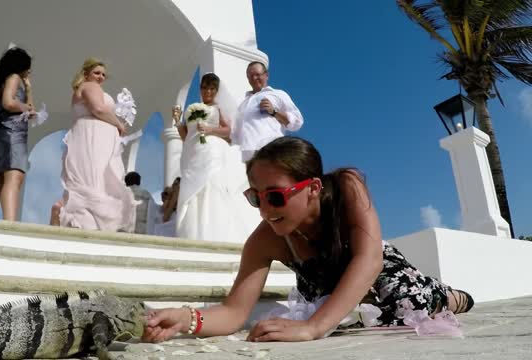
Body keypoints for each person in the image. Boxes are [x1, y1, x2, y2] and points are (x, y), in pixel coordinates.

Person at [144, 136, 473, 343]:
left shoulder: (346, 186)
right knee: (357, 321)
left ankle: (451, 296)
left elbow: (369, 260)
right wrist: (187, 319)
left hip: (381, 270)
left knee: (408, 304)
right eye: (255, 198)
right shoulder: (265, 240)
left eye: (274, 196)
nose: (264, 211)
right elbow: (233, 311)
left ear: (313, 188)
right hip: (335, 293)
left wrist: (314, 326)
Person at [172, 73, 260, 243]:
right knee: (191, 191)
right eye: (205, 87)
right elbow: (186, 137)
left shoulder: (217, 109)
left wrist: (210, 130)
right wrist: (177, 121)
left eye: (212, 88)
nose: (208, 91)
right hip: (192, 154)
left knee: (209, 185)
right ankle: (191, 231)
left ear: (216, 90)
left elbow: (230, 131)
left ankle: (212, 231)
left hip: (210, 151)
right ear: (201, 89)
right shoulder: (193, 108)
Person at [58, 57, 135, 231]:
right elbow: (98, 109)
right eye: (97, 73)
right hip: (93, 138)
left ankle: (89, 222)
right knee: (96, 178)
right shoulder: (90, 86)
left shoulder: (83, 88)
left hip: (90, 136)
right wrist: (118, 124)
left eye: (103, 75)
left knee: (93, 178)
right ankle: (94, 223)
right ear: (86, 73)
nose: (100, 77)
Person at [0, 47, 34, 221]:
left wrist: (28, 89)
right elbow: (8, 102)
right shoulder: (14, 77)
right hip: (13, 133)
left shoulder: (4, 81)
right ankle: (10, 224)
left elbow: (27, 108)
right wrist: (25, 107)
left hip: (1, 132)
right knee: (14, 178)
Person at [234, 61, 303, 162]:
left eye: (257, 74)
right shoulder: (243, 104)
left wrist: (274, 112)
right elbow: (235, 133)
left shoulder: (278, 94)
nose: (254, 78)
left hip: (272, 150)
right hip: (248, 154)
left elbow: (297, 122)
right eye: (250, 75)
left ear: (266, 75)